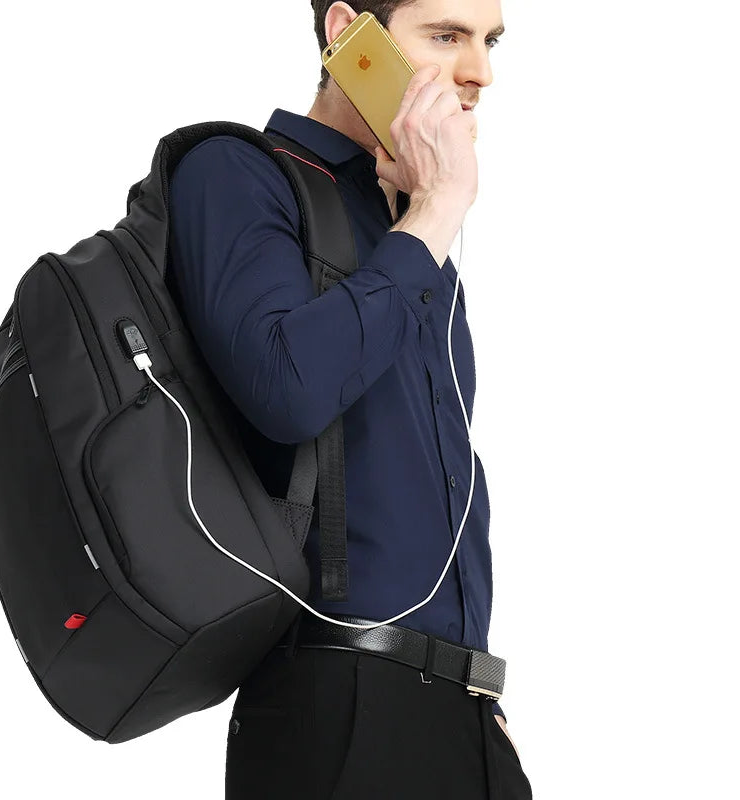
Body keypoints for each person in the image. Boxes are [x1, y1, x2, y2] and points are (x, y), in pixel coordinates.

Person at [166, 1, 532, 797]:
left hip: (466, 716)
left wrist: (481, 716)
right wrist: (437, 211)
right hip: (340, 709)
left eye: (489, 42)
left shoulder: (406, 226)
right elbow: (289, 390)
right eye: (446, 36)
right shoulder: (239, 174)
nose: (480, 72)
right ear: (347, 35)